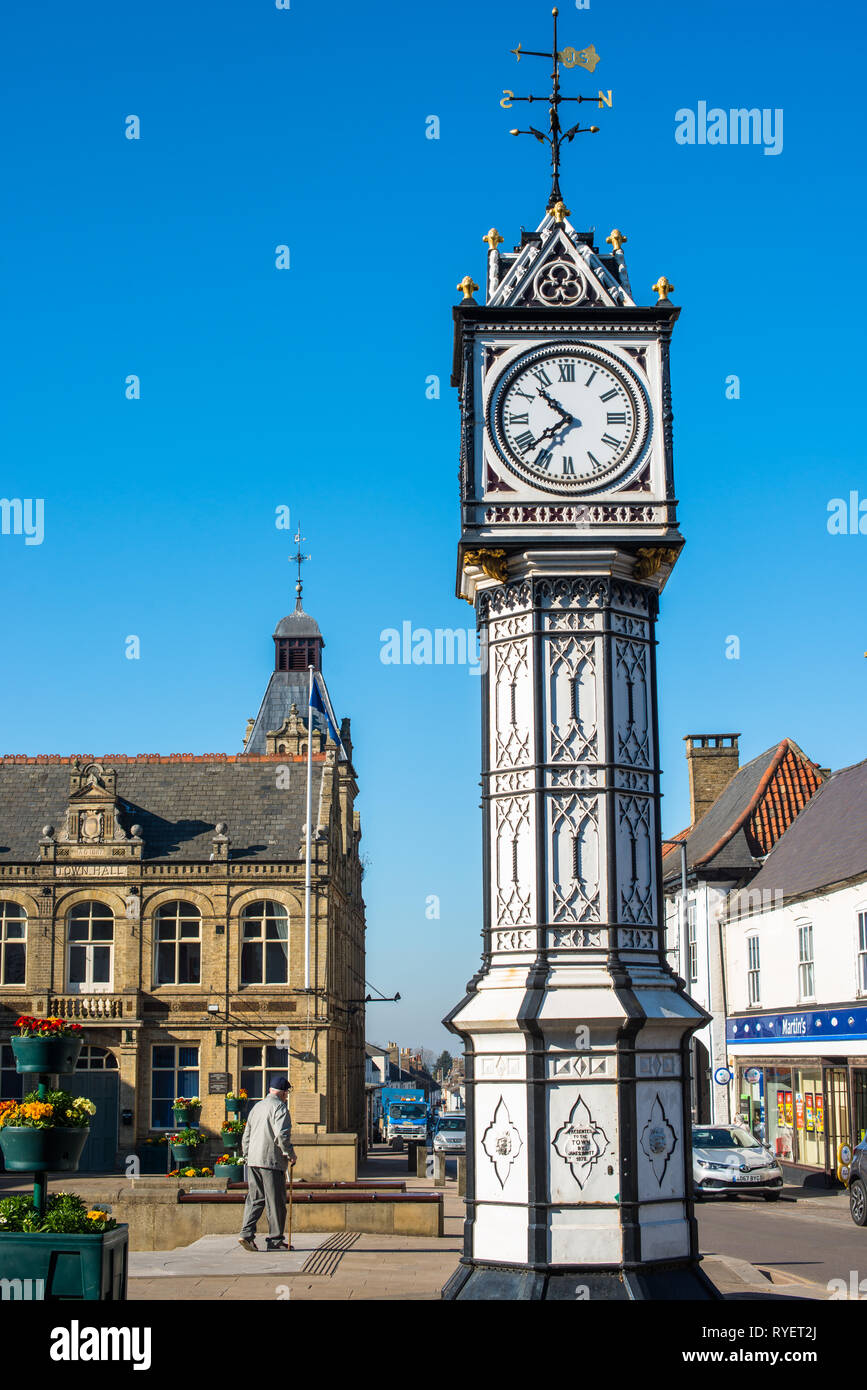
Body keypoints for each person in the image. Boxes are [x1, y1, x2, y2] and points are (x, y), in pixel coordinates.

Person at [238, 1075, 297, 1252]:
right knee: (276, 1201)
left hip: (253, 1160)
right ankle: (275, 1239)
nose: (287, 1097)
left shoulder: (257, 1107)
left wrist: (247, 1155)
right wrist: (290, 1154)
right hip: (271, 1161)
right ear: (284, 1093)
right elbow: (282, 1135)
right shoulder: (280, 1107)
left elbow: (246, 1135)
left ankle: (246, 1234)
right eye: (287, 1093)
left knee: (255, 1199)